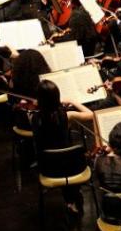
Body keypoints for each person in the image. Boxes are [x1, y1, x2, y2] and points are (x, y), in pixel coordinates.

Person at [33, 80, 94, 218]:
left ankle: (71, 201)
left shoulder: (34, 118)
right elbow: (91, 114)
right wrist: (73, 101)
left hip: (47, 167)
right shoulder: (67, 116)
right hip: (71, 167)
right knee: (67, 159)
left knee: (59, 160)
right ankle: (73, 199)